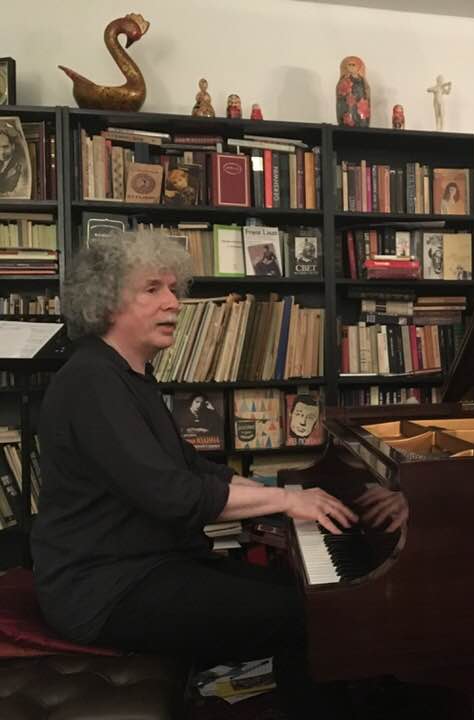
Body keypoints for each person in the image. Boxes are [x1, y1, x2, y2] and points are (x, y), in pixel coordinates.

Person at [29, 231, 408, 717]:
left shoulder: (128, 376)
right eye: (152, 289)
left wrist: (280, 490)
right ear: (106, 301)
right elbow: (173, 495)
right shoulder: (91, 381)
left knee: (305, 592)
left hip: (149, 565)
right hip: (104, 589)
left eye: (174, 289)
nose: (173, 303)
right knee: (308, 616)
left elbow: (189, 465)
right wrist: (288, 501)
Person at [0, 121, 27, 197]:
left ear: (13, 146)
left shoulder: (21, 164)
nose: (1, 152)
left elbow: (19, 193)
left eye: (5, 147)